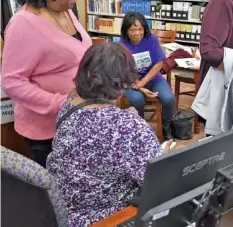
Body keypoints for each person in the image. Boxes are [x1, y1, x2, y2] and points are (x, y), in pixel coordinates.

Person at [47, 43, 170, 226]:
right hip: (108, 218)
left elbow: (98, 133)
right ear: (122, 81)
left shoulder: (68, 106)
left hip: (64, 212)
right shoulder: (129, 128)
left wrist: (125, 120)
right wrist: (164, 157)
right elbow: (161, 182)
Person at [1, 0, 92, 167]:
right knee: (56, 191)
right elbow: (12, 82)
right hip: (46, 130)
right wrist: (61, 103)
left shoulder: (67, 11)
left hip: (77, 118)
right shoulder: (23, 25)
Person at [120, 12, 175, 140]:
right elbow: (124, 71)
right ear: (126, 30)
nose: (137, 33)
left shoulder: (151, 39)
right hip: (131, 82)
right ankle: (141, 128)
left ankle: (166, 126)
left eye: (140, 29)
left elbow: (159, 63)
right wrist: (141, 87)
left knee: (168, 99)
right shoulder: (121, 45)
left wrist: (143, 82)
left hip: (152, 78)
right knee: (137, 100)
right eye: (133, 30)